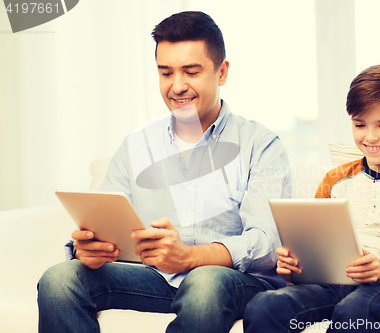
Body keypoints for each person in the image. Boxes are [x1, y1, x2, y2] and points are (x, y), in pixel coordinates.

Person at [37, 11, 290, 333]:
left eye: (191, 71)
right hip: (155, 277)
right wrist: (91, 247)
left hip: (232, 282)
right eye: (166, 72)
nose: (177, 86)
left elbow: (266, 243)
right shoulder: (137, 144)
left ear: (222, 71)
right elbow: (104, 218)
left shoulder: (261, 144)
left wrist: (190, 256)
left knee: (205, 281)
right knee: (60, 278)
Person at [243, 62, 380, 333]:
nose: (370, 136)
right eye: (359, 124)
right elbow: (311, 257)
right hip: (326, 285)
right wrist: (290, 268)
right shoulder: (335, 180)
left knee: (355, 311)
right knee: (264, 305)